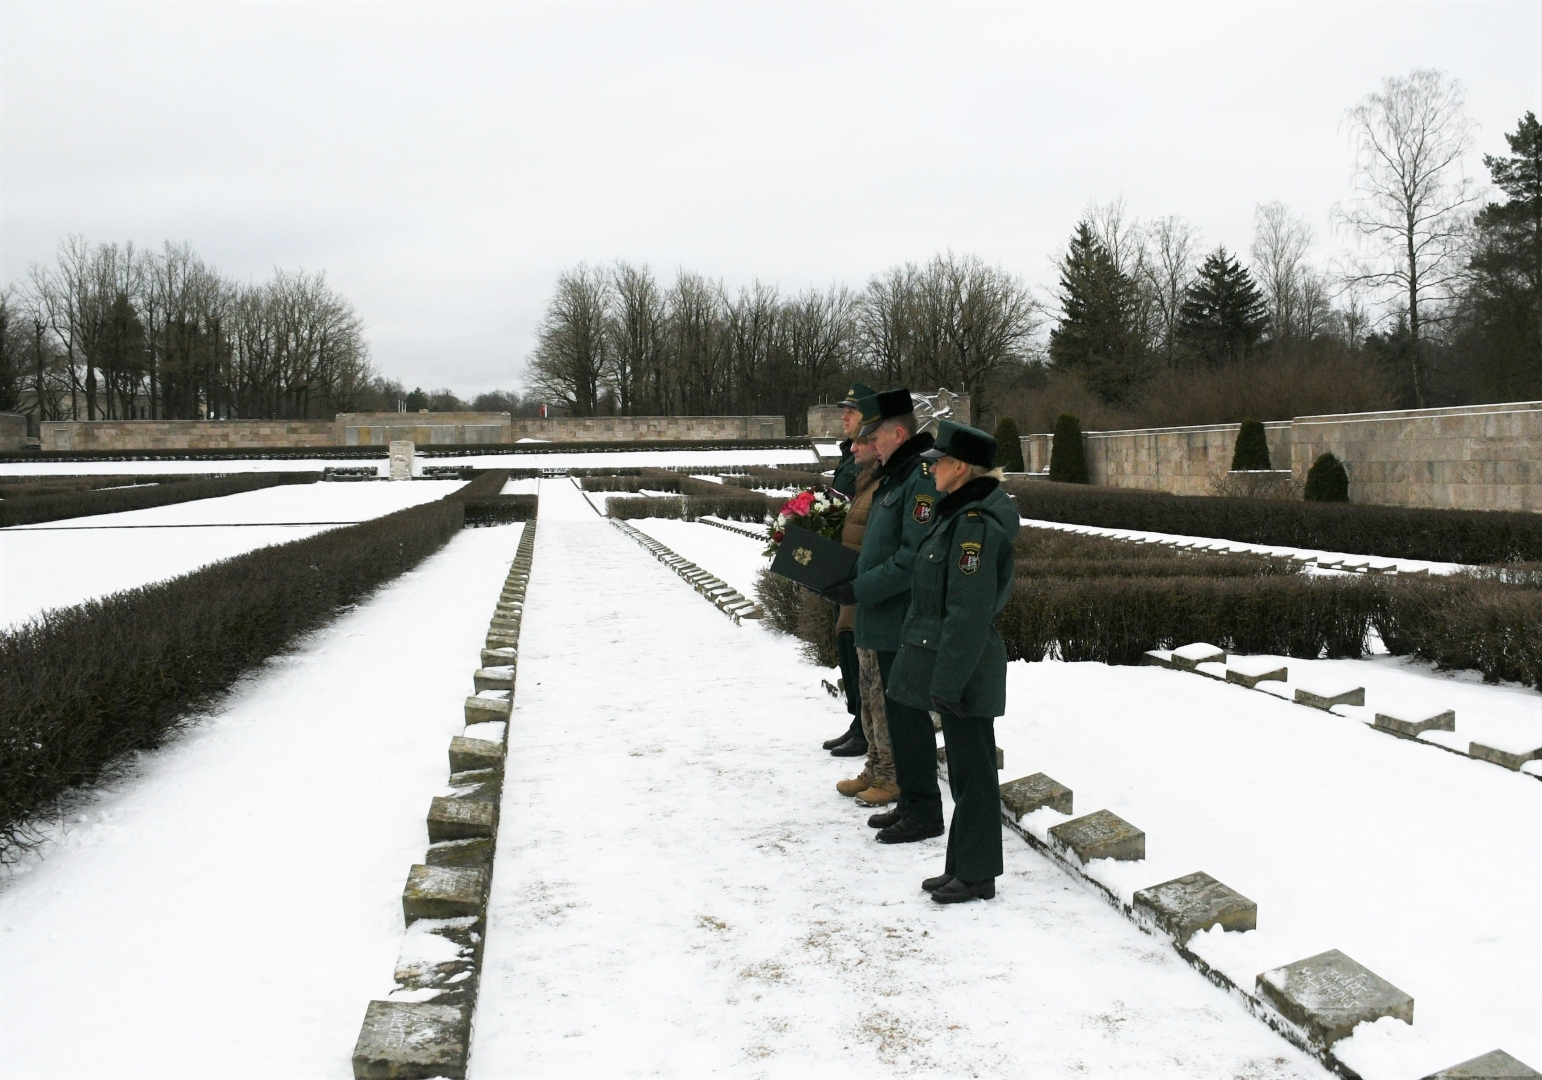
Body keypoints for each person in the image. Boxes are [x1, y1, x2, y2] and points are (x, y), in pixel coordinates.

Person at [888, 420, 1019, 903]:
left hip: (966, 667)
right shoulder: (961, 514)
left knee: (974, 773)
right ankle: (963, 865)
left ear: (960, 468)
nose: (932, 469)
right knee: (968, 771)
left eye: (938, 461)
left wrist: (948, 682)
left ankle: (978, 873)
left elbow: (967, 612)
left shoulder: (974, 525)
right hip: (959, 666)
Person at [822, 388, 942, 844]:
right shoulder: (897, 474)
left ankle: (924, 810)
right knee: (893, 714)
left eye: (873, 436)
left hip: (901, 619)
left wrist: (858, 587)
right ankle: (912, 802)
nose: (867, 445)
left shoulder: (919, 477)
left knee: (908, 722)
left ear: (896, 432)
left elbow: (914, 557)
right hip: (881, 616)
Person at [831, 426, 898, 806]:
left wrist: (859, 586)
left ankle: (889, 772)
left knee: (879, 693)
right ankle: (876, 765)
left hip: (874, 598)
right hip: (861, 595)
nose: (857, 447)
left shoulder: (893, 484)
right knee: (868, 689)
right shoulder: (874, 482)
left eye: (867, 440)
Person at [823, 381, 876, 758]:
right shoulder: (849, 455)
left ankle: (865, 728)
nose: (843, 417)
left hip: (859, 567)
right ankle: (858, 721)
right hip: (845, 564)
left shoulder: (869, 460)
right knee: (846, 645)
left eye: (851, 412)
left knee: (857, 649)